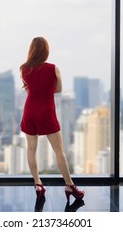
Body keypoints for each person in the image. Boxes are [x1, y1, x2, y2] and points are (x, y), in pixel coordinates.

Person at [19, 36, 84, 201]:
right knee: (59, 151)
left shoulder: (24, 69)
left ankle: (38, 184)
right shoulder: (54, 68)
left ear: (31, 50)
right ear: (46, 51)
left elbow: (29, 88)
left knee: (31, 149)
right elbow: (59, 89)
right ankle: (70, 185)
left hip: (30, 110)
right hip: (46, 111)